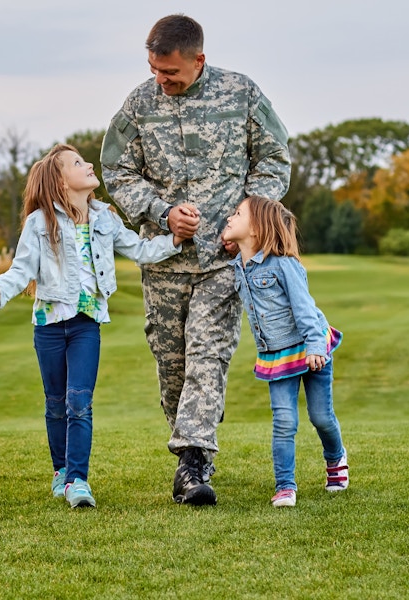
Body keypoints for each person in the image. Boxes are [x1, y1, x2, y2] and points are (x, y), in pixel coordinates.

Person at [100, 14, 292, 505]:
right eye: (155, 70)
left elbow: (274, 160)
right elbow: (116, 171)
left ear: (198, 60)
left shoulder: (242, 94)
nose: (161, 81)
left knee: (208, 353)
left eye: (171, 73)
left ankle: (193, 462)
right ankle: (193, 438)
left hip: (223, 260)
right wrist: (162, 212)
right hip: (164, 261)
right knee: (172, 364)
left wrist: (246, 219)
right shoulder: (139, 105)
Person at [0, 144, 186, 508]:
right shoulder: (40, 222)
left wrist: (175, 242)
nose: (89, 164)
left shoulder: (104, 217)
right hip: (49, 325)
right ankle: (60, 470)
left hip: (87, 324)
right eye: (78, 163)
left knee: (79, 402)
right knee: (56, 403)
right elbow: (22, 270)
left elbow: (139, 249)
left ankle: (78, 480)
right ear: (60, 181)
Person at [222, 196, 348, 507]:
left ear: (256, 230)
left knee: (321, 416)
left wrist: (316, 346)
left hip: (310, 347)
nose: (229, 217)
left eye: (237, 214)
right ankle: (285, 485)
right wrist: (233, 247)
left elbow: (305, 308)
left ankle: (335, 458)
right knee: (283, 421)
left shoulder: (284, 265)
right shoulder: (238, 266)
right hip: (277, 355)